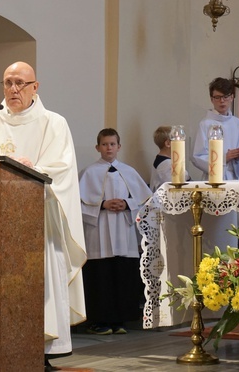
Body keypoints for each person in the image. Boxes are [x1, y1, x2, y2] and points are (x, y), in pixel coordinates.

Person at [0, 61, 86, 370]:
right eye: (8, 82)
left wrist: (29, 170)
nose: (13, 89)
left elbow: (62, 171)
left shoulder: (53, 123)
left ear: (35, 87)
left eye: (20, 83)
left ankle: (38, 356)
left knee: (37, 293)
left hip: (35, 226)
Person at [79, 128, 151, 336]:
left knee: (122, 275)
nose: (109, 148)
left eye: (112, 144)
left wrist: (127, 204)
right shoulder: (88, 172)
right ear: (97, 147)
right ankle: (100, 321)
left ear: (119, 147)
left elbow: (146, 201)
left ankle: (120, 320)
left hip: (123, 232)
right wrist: (102, 204)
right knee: (101, 276)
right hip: (98, 233)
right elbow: (76, 204)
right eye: (104, 144)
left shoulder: (129, 172)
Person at [192, 77, 239, 180]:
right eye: (217, 97)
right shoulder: (205, 124)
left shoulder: (237, 124)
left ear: (232, 97)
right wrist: (223, 158)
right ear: (211, 99)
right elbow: (197, 156)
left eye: (225, 96)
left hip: (233, 178)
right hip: (212, 178)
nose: (222, 101)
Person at [150, 125, 190, 191]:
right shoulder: (165, 164)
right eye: (177, 139)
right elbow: (175, 186)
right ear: (168, 143)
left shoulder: (167, 162)